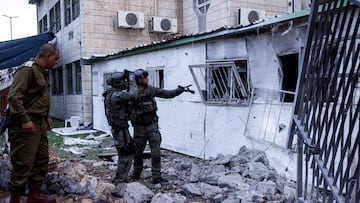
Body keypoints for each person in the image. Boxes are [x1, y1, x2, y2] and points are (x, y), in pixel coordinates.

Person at [7, 43, 59, 203]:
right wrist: (25, 120)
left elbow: (37, 98)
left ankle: (33, 196)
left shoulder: (41, 72)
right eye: (55, 59)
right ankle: (15, 198)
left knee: (41, 160)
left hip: (38, 123)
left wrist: (47, 116)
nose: (56, 62)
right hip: (24, 125)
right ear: (47, 56)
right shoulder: (27, 69)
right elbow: (14, 97)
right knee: (24, 162)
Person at [129, 68, 193, 184]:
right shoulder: (131, 93)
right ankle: (136, 175)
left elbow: (167, 94)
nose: (147, 79)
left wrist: (180, 90)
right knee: (138, 153)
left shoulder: (151, 90)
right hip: (139, 128)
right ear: (139, 80)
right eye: (145, 78)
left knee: (156, 152)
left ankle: (156, 178)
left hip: (152, 126)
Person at [102, 70, 138, 194]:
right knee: (125, 154)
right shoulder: (116, 95)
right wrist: (132, 80)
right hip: (119, 130)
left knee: (127, 152)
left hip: (121, 128)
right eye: (124, 81)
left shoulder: (112, 93)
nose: (125, 83)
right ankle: (119, 181)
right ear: (118, 82)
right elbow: (133, 94)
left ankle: (121, 178)